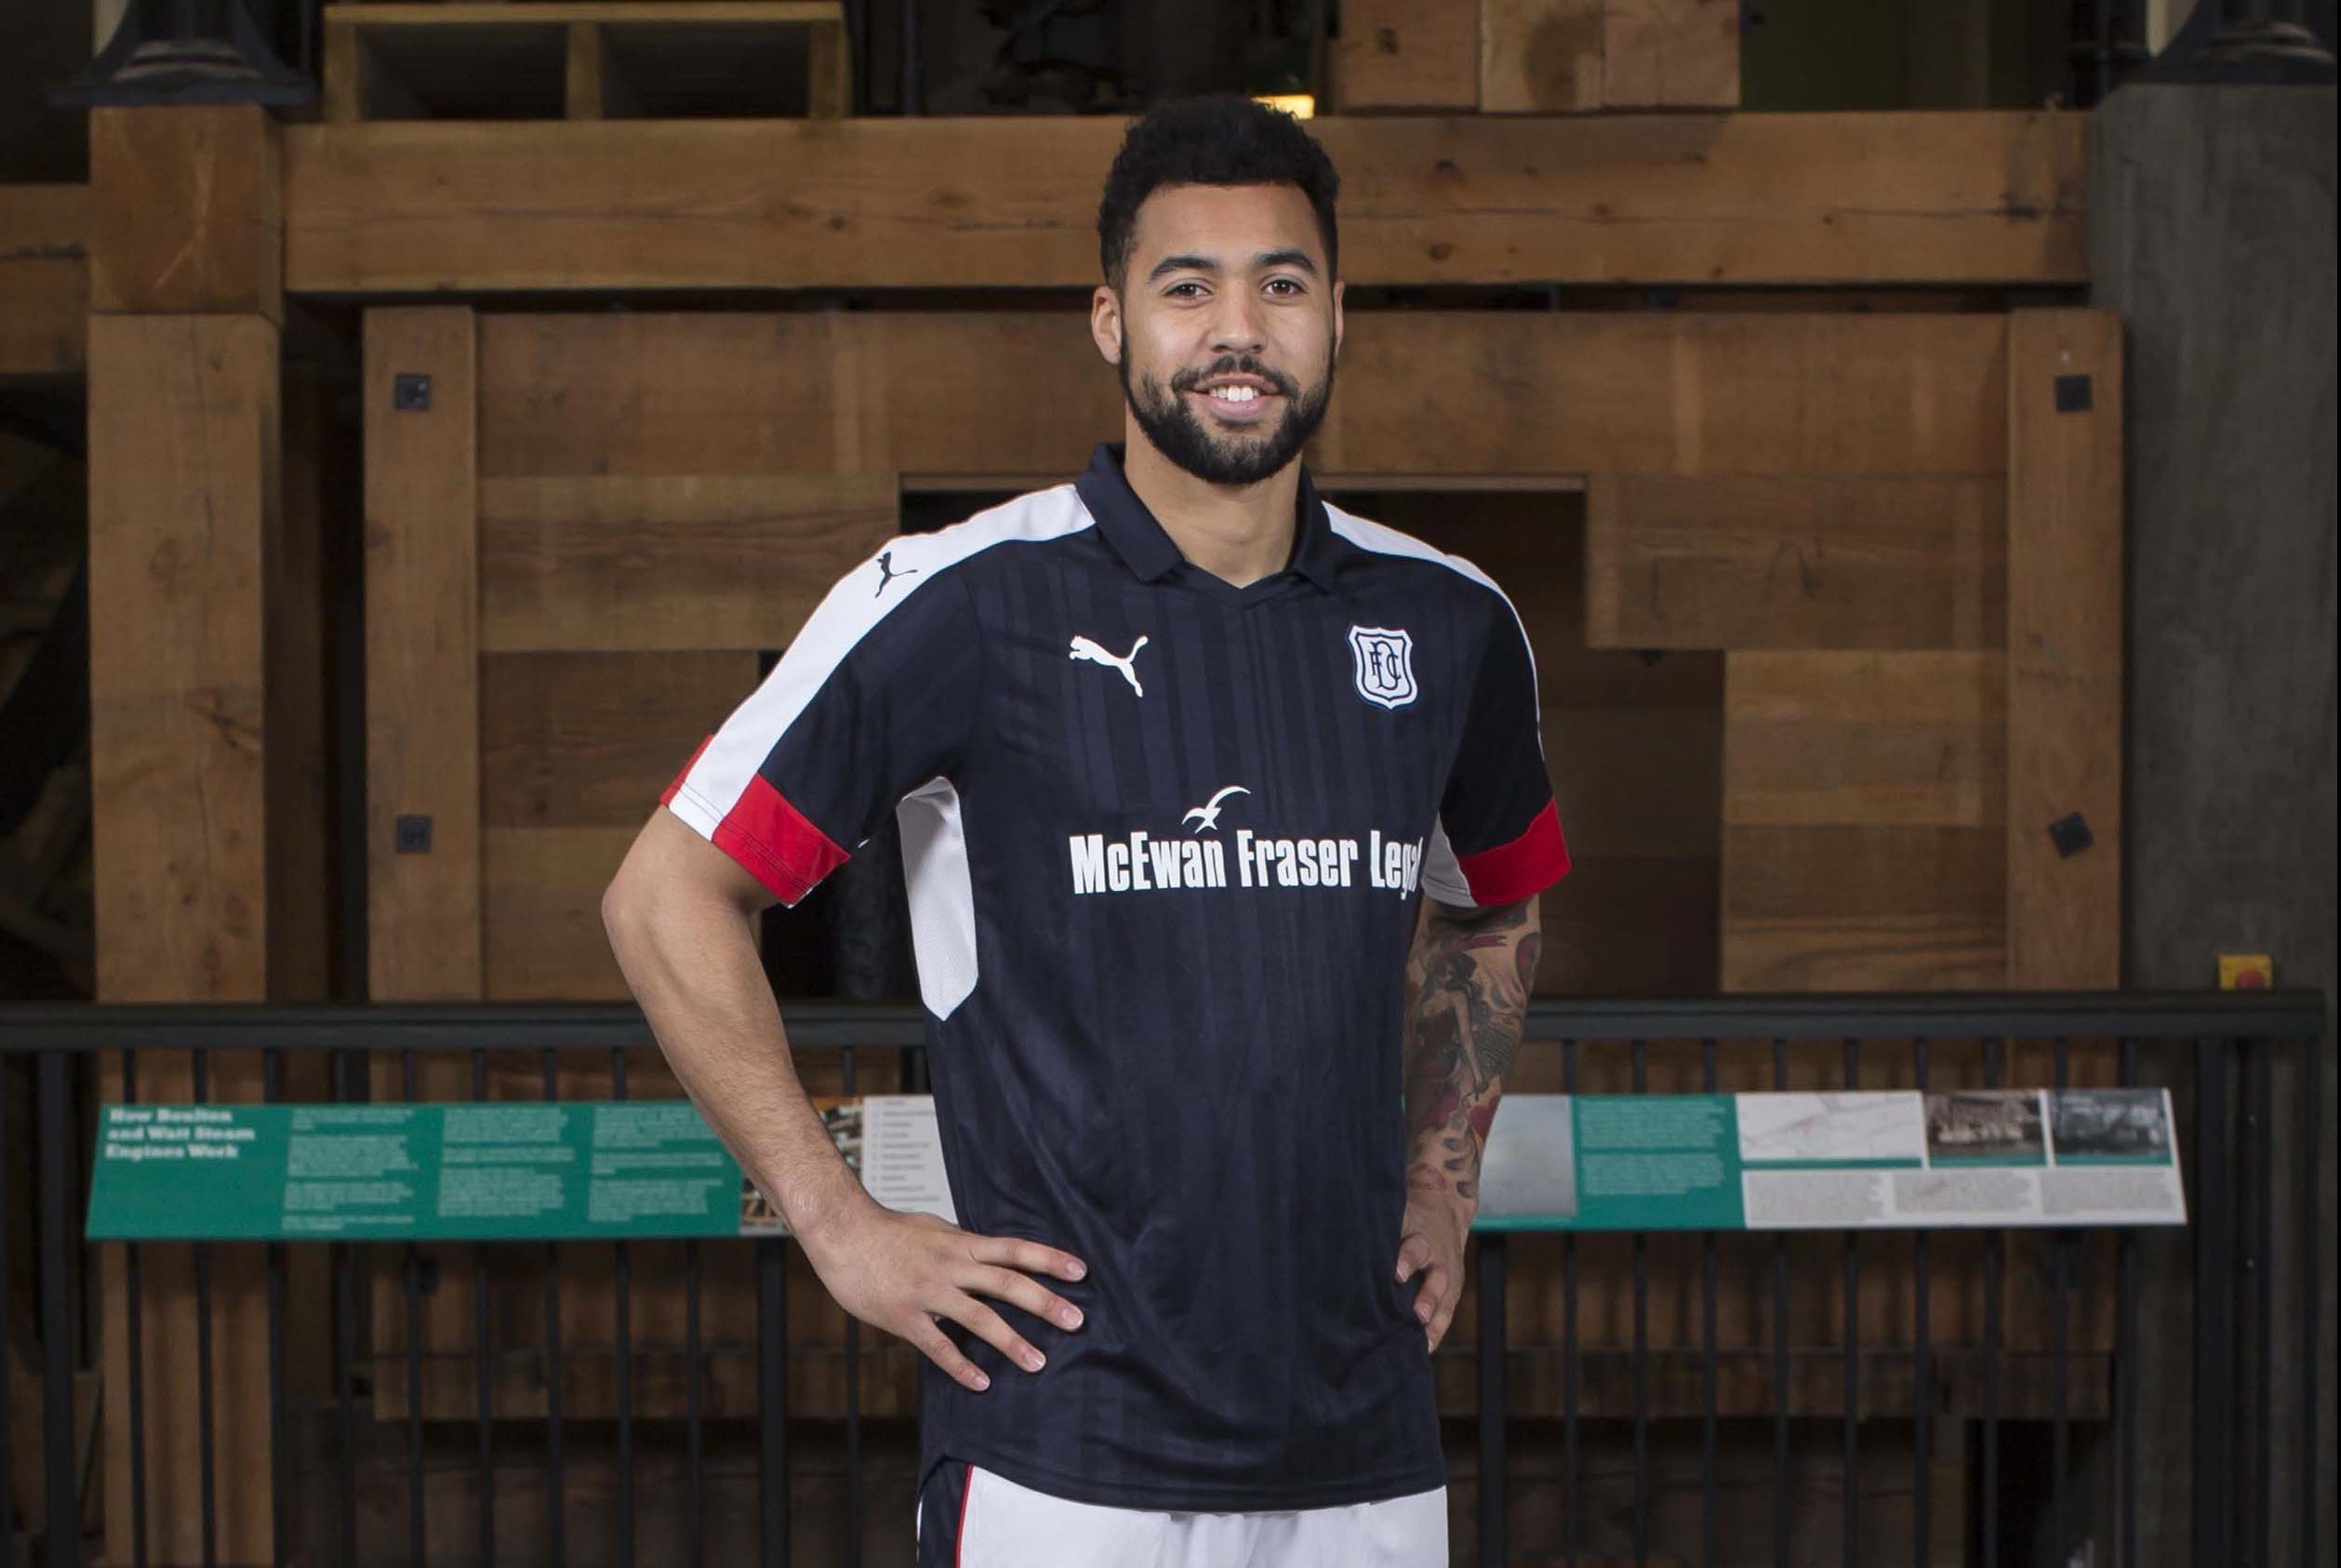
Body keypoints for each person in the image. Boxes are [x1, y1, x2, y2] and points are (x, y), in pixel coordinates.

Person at [603, 93, 1571, 1567]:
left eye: (1282, 284)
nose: (1237, 328)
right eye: (1188, 287)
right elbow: (667, 892)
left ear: (1336, 316)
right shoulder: (960, 600)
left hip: (1363, 1438)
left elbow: (1494, 903)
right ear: (1112, 321)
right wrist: (836, 1222)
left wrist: (1443, 1178)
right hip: (1063, 1446)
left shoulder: (1447, 621)